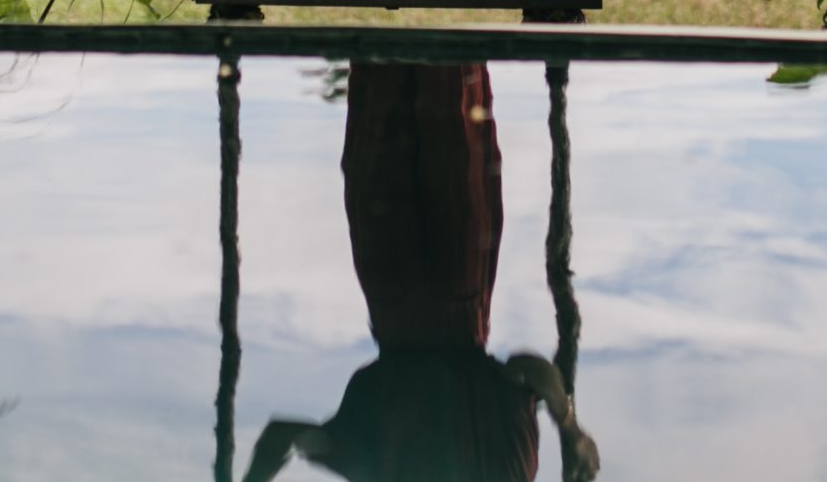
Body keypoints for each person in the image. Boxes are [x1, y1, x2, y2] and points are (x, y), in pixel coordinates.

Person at [239, 63, 599, 482]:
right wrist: (569, 427)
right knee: (449, 125)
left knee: (398, 119)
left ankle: (398, 23)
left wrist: (570, 429)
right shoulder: (497, 474)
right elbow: (528, 371)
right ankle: (432, 18)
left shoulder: (383, 471)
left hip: (398, 278)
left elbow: (283, 434)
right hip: (448, 280)